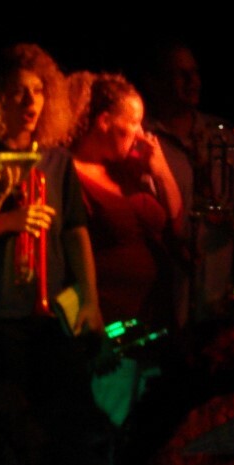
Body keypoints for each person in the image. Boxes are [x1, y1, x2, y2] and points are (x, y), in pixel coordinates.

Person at [0, 43, 104, 340]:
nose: (31, 100)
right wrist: (9, 221)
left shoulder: (57, 160)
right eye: (19, 91)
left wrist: (91, 301)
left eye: (39, 90)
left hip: (53, 310)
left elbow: (75, 232)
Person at [139, 42, 234, 326]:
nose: (194, 81)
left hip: (217, 285)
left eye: (195, 73)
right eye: (181, 74)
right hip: (163, 292)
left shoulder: (223, 135)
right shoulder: (141, 138)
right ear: (154, 83)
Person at [68, 73, 183, 330]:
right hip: (113, 317)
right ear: (105, 121)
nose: (141, 133)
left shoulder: (126, 167)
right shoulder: (71, 175)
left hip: (156, 314)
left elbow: (177, 224)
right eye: (134, 122)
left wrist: (161, 171)